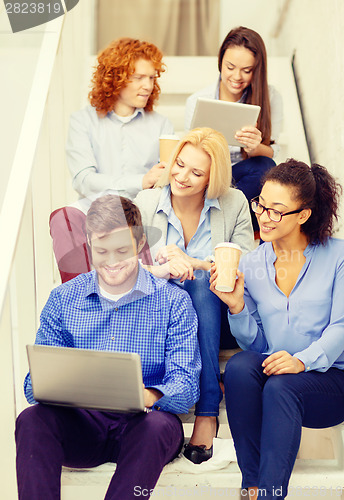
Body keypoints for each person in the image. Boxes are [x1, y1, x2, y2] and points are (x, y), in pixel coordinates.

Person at [16, 195, 201, 500]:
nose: (112, 261)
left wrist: (150, 395)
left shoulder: (173, 302)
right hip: (84, 426)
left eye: (121, 250)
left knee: (154, 427)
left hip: (144, 426)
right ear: (88, 245)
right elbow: (33, 386)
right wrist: (52, 385)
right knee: (31, 420)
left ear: (141, 243)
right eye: (101, 251)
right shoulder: (63, 299)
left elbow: (186, 386)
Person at [210, 159, 344, 499]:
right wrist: (237, 306)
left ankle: (270, 494)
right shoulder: (252, 263)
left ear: (303, 215)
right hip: (278, 378)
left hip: (331, 382)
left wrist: (303, 360)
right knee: (240, 367)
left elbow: (342, 326)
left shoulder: (338, 256)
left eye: (276, 211)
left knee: (281, 386)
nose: (264, 216)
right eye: (261, 204)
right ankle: (253, 485)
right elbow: (257, 344)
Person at [134, 127, 254, 464]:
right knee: (184, 288)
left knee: (200, 283)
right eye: (179, 164)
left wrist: (196, 263)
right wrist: (164, 269)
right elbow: (126, 267)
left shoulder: (233, 203)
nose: (182, 176)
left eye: (196, 172)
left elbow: (250, 264)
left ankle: (207, 409)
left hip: (216, 313)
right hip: (161, 313)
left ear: (211, 179)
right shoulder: (147, 201)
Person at [50, 38, 174, 282]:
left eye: (152, 78)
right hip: (93, 209)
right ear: (115, 77)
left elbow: (165, 182)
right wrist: (141, 180)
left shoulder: (162, 125)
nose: (148, 85)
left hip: (140, 213)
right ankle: (80, 297)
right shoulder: (82, 121)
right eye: (139, 77)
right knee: (62, 218)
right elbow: (84, 180)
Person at [185, 26, 283, 230]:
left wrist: (255, 148)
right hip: (209, 178)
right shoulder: (198, 101)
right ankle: (231, 226)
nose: (237, 77)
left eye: (247, 70)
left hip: (243, 181)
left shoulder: (270, 97)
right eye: (230, 67)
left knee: (264, 166)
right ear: (220, 61)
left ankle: (219, 226)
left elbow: (273, 153)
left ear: (257, 69)